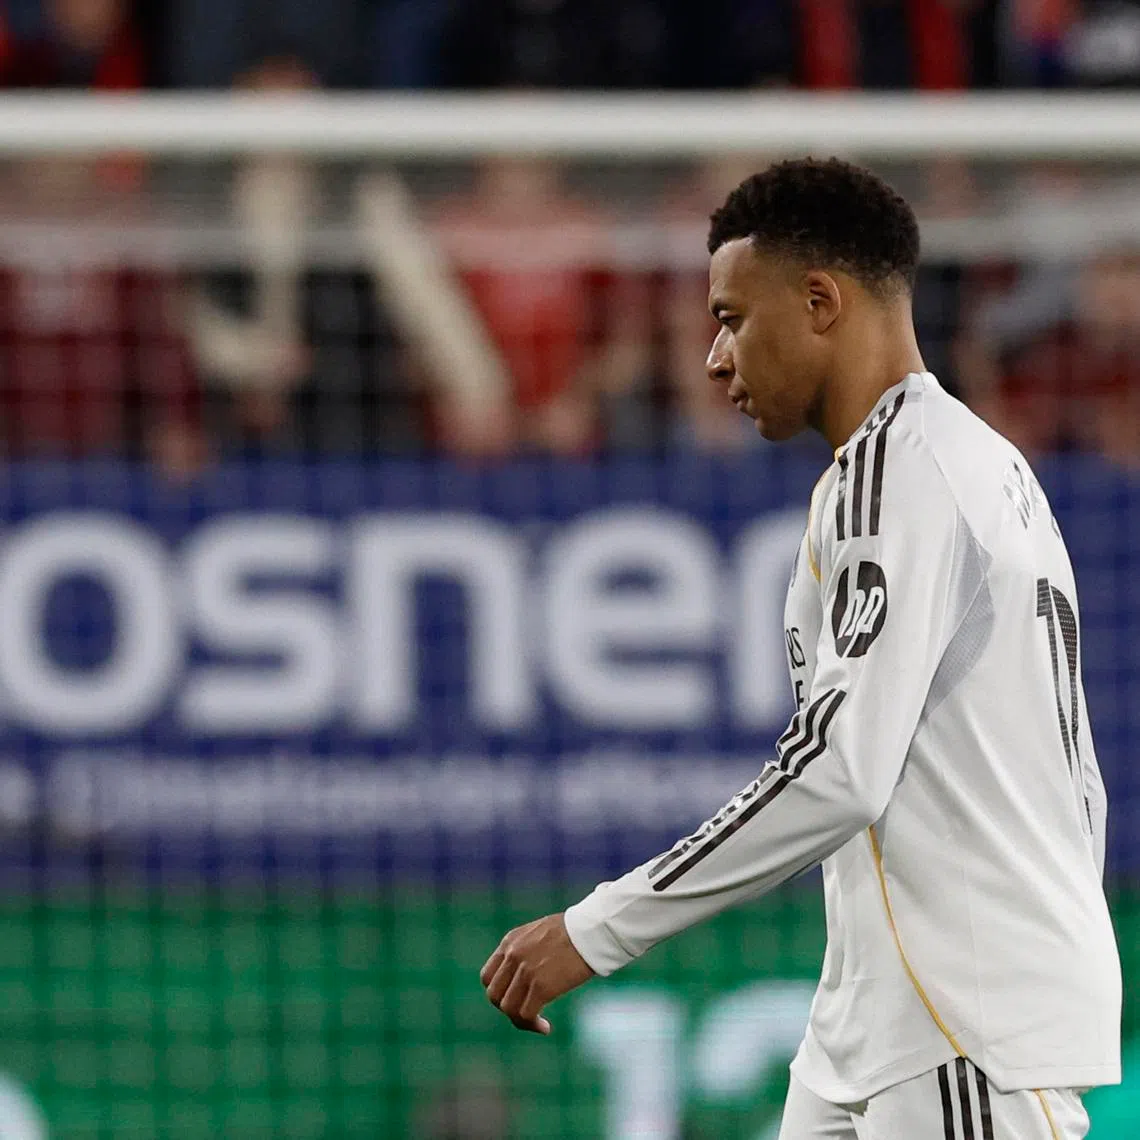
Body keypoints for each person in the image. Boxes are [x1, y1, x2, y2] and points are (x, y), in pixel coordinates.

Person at [480, 158, 1121, 1139]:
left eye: (733, 318)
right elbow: (1075, 778)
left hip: (958, 1031)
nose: (713, 358)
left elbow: (840, 770)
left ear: (820, 300)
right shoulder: (961, 464)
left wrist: (598, 929)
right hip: (893, 1019)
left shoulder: (904, 476)